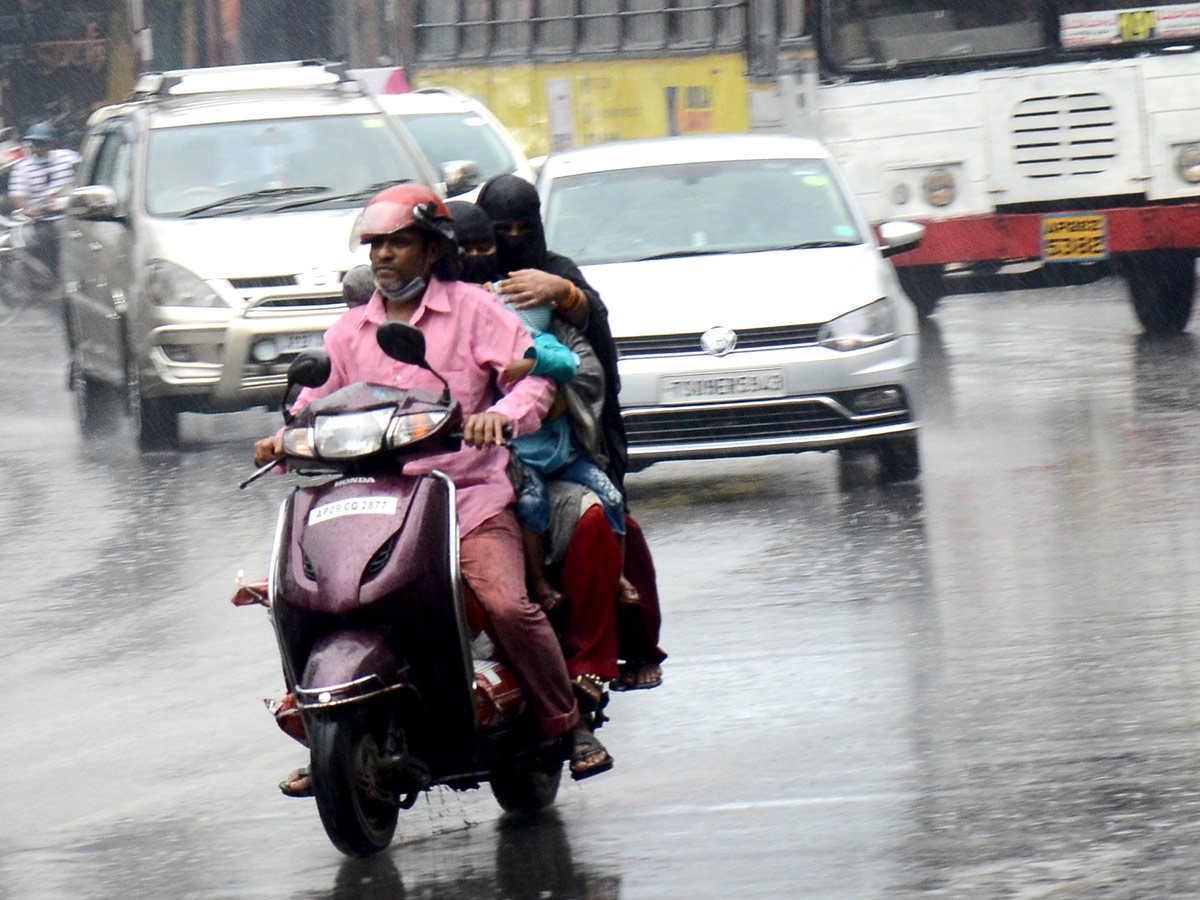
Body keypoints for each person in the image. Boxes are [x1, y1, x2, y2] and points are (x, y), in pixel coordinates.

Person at [253, 185, 613, 787]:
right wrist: (285, 435)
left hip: (465, 497)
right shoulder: (348, 332)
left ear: (432, 249)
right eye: (376, 246)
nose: (384, 256)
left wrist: (503, 414)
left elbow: (533, 381)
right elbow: (317, 400)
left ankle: (568, 721)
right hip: (372, 498)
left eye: (398, 243)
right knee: (304, 595)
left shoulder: (475, 309)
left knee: (505, 603)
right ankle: (327, 734)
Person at [476, 176, 663, 693]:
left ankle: (615, 653)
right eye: (497, 232)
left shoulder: (555, 280)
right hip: (468, 458)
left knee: (602, 522)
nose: (509, 241)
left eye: (522, 228)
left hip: (561, 439)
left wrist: (566, 296)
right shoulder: (452, 296)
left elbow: (588, 358)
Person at [7, 122, 80, 281]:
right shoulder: (23, 167)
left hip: (72, 212)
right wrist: (31, 209)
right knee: (46, 236)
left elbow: (82, 173)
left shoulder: (67, 157)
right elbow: (18, 195)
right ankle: (54, 277)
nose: (38, 147)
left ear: (52, 143)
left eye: (42, 143)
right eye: (35, 143)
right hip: (43, 219)